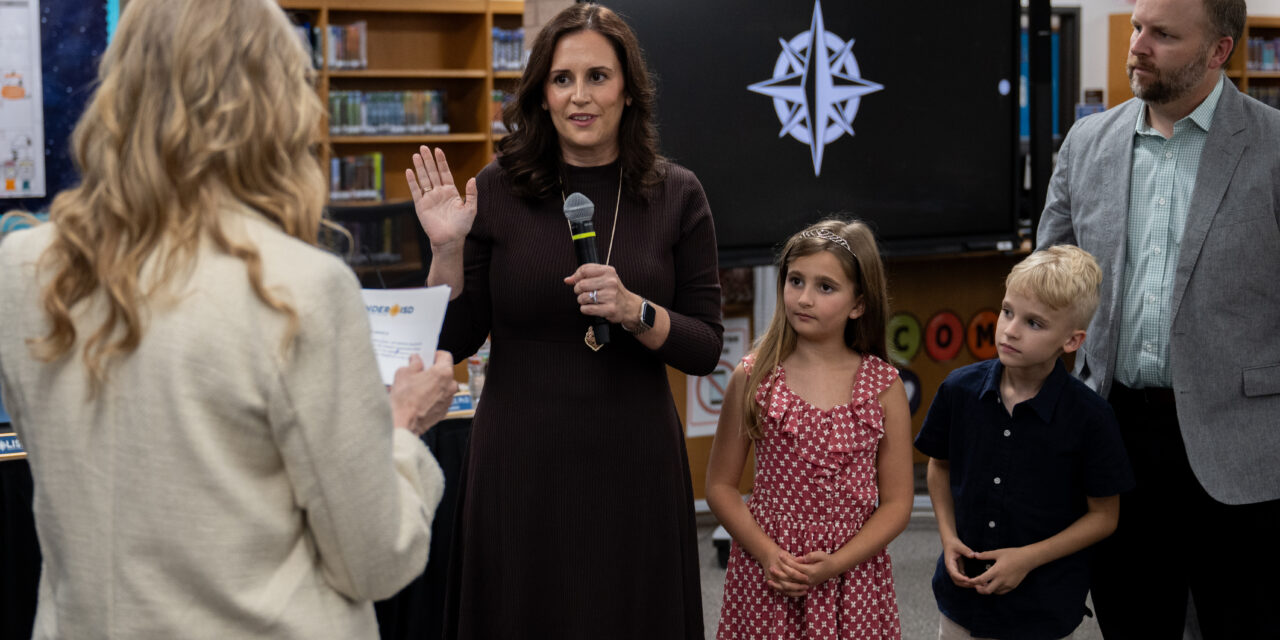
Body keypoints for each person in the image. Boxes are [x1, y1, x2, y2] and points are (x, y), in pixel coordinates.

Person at [0, 0, 458, 637]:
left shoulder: (23, 268)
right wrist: (402, 427)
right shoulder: (298, 287)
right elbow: (375, 560)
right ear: (274, 103)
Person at [405, 4, 723, 638]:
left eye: (598, 77)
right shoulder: (497, 189)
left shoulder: (677, 194)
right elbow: (452, 338)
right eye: (562, 79)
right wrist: (444, 251)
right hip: (522, 463)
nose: (580, 96)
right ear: (541, 96)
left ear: (629, 91)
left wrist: (637, 311)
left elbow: (705, 346)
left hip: (633, 461)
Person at [1036, 0, 1280, 636]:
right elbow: (1046, 283)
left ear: (1219, 51)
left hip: (1244, 445)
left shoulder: (1274, 146)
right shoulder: (1087, 143)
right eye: (1138, 27)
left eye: (1163, 35)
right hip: (1116, 440)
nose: (1137, 45)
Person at [706, 219, 912, 639]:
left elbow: (897, 503)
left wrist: (837, 563)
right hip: (770, 575)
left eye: (825, 287)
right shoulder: (753, 376)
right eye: (795, 280)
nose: (803, 298)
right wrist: (767, 554)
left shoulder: (884, 386)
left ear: (858, 304)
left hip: (852, 578)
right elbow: (721, 486)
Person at [914, 246, 1134, 640]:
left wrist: (1028, 558)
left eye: (1034, 323)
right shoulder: (958, 390)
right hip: (961, 601)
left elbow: (1105, 516)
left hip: (1042, 608)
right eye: (1007, 311)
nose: (1010, 329)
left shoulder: (1092, 417)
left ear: (1072, 341)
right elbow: (939, 465)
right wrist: (948, 539)